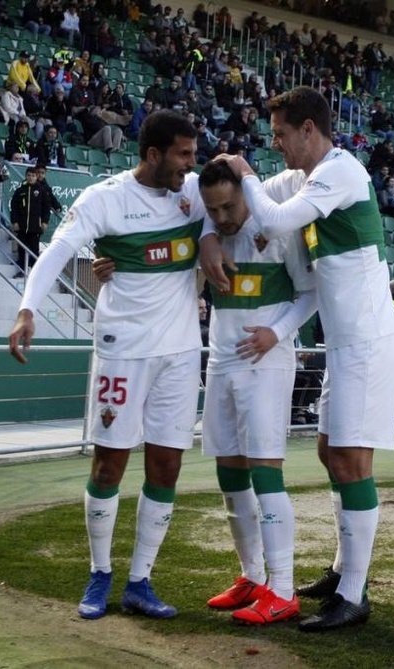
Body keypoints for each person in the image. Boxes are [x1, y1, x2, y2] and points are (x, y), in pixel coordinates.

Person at [205, 86, 394, 631]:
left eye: (282, 137)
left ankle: (355, 594)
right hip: (345, 342)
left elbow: (269, 221)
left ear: (309, 131)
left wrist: (246, 171)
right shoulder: (305, 178)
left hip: (367, 339)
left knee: (350, 461)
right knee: (328, 451)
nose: (279, 148)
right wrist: (207, 234)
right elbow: (237, 209)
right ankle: (343, 575)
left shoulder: (342, 171)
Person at [93, 159, 317, 625]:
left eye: (228, 206)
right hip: (219, 360)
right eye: (212, 210)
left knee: (265, 469)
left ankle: (283, 586)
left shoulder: (277, 225)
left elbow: (310, 292)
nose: (221, 216)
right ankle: (252, 576)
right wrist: (111, 263)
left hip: (265, 359)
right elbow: (158, 247)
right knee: (230, 470)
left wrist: (276, 334)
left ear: (243, 192)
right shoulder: (208, 229)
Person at [8, 110, 207, 621]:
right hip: (122, 348)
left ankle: (141, 580)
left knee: (167, 464)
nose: (191, 164)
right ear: (153, 155)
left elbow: (244, 192)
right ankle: (100, 572)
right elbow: (57, 251)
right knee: (109, 463)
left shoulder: (195, 192)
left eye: (194, 153)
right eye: (183, 154)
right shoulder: (104, 199)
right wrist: (27, 308)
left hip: (181, 352)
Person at [9, 167, 47, 278]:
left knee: (34, 249)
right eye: (29, 175)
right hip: (22, 225)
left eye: (33, 176)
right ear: (26, 176)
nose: (31, 178)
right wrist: (14, 221)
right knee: (21, 248)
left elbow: (46, 207)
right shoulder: (20, 190)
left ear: (37, 177)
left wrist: (44, 221)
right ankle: (22, 270)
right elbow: (14, 207)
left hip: (35, 226)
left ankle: (35, 273)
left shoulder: (41, 190)